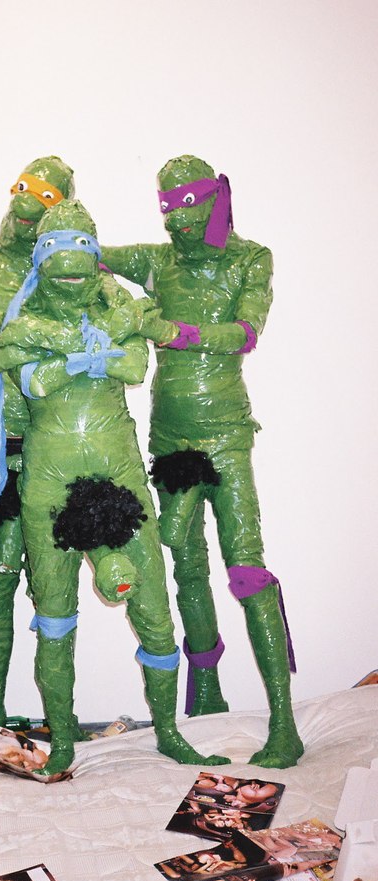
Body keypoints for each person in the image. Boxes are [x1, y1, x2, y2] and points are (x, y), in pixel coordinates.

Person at [0, 198, 229, 777]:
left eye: (81, 257)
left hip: (118, 472)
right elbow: (35, 382)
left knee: (154, 609)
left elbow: (133, 367)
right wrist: (86, 357)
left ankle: (168, 731)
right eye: (58, 257)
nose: (70, 273)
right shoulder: (22, 319)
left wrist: (83, 353)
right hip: (49, 482)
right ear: (42, 262)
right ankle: (64, 741)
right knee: (54, 616)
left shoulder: (119, 306)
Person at [102, 155, 303, 768]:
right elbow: (92, 256)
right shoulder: (157, 260)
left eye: (187, 207)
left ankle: (285, 724)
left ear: (213, 200)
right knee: (185, 564)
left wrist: (177, 332)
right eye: (168, 210)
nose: (177, 222)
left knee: (246, 571)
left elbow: (246, 332)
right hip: (170, 436)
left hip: (225, 434)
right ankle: (207, 690)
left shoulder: (250, 258)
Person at [0, 157, 76, 726]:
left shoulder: (69, 274)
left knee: (55, 589)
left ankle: (60, 721)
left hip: (52, 451)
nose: (27, 207)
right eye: (23, 192)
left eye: (46, 199)